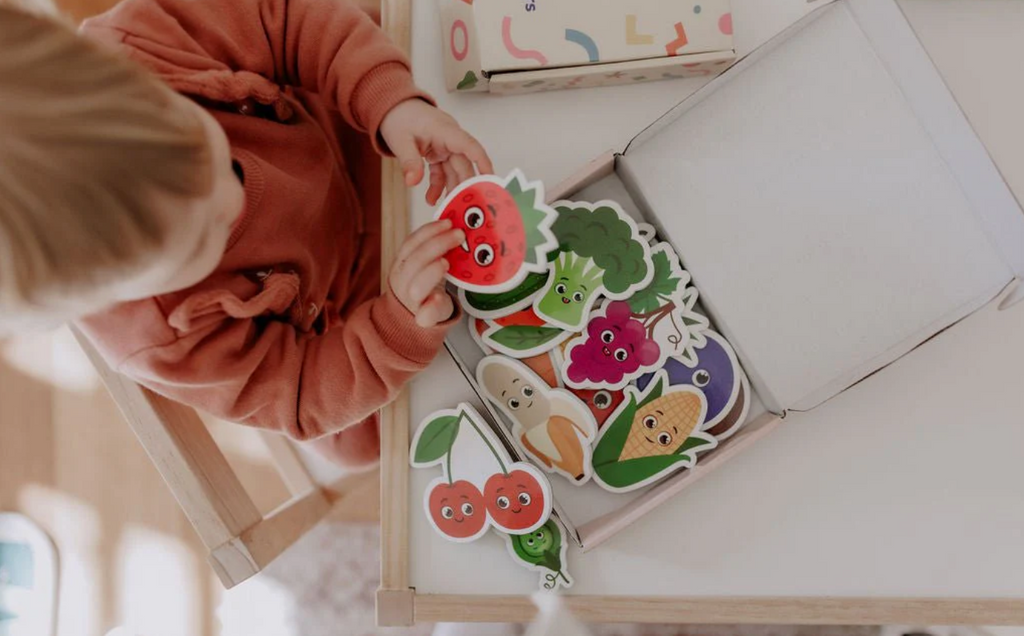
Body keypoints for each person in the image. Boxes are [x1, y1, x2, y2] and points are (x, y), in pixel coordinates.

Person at [0, 0, 493, 467]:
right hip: (354, 315)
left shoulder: (148, 37)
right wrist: (394, 329)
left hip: (364, 129)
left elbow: (289, 18)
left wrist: (388, 101)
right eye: (199, 241)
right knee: (357, 444)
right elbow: (298, 394)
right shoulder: (161, 338)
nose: (232, 200)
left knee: (399, 34)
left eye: (207, 155)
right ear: (110, 291)